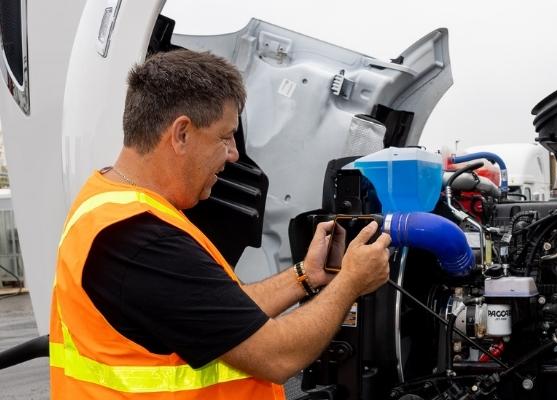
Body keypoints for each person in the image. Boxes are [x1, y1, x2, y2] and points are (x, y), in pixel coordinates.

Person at [48, 49, 391, 399]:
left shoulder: (111, 201)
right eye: (225, 137)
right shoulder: (140, 239)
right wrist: (350, 282)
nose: (233, 154)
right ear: (181, 133)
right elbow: (276, 355)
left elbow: (220, 311)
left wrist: (305, 275)